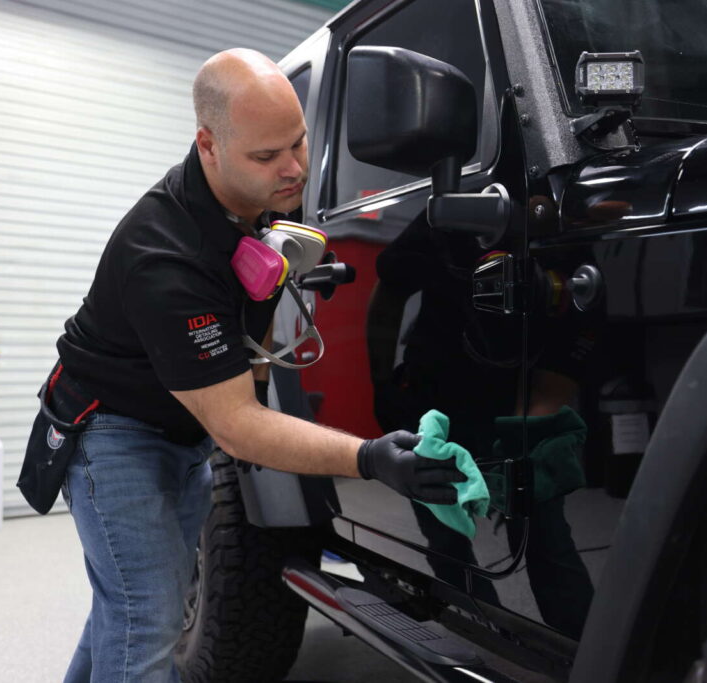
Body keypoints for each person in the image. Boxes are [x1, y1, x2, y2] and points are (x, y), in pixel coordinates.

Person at [50, 48, 465, 683]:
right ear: (208, 145)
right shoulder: (163, 256)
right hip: (111, 430)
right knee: (148, 618)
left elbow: (258, 314)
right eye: (267, 157)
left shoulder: (266, 200)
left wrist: (265, 377)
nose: (293, 169)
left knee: (131, 607)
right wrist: (370, 457)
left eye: (298, 144)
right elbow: (236, 425)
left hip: (180, 425)